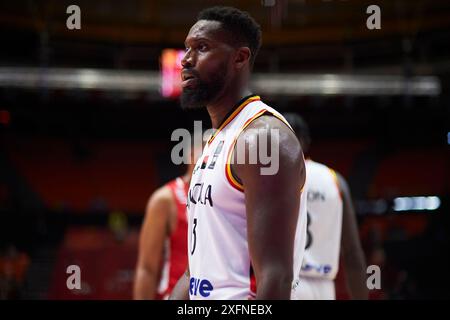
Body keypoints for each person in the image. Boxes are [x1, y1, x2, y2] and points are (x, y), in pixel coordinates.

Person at [170, 6, 307, 300]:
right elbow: (196, 268)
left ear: (240, 58)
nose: (186, 59)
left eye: (202, 47)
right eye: (187, 49)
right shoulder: (215, 141)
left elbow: (276, 277)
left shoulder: (263, 139)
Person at [283, 113, 368, 300]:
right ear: (306, 141)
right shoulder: (335, 180)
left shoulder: (271, 178)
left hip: (285, 284)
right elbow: (353, 254)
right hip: (323, 289)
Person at [133, 141, 202, 300]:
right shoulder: (165, 199)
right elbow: (146, 268)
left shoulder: (225, 196)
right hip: (174, 294)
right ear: (190, 156)